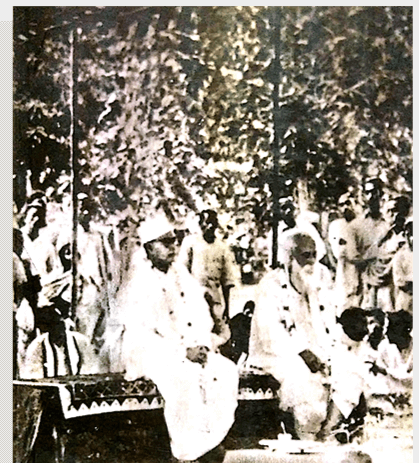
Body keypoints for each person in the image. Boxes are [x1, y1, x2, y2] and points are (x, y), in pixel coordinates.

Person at [119, 213, 239, 463]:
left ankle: (210, 443)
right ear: (150, 248)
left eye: (175, 241)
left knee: (225, 371)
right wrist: (183, 353)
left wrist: (202, 345)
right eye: (166, 242)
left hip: (189, 349)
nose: (173, 247)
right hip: (152, 352)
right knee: (185, 378)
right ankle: (186, 453)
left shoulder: (182, 276)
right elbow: (142, 333)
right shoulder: (139, 283)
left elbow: (200, 316)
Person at [248, 232, 335, 440]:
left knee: (344, 369)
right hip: (275, 355)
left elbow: (327, 323)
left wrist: (327, 353)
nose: (312, 262)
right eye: (305, 255)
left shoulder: (317, 282)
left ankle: (331, 433)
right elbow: (270, 334)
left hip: (314, 350)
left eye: (314, 255)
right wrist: (303, 353)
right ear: (289, 258)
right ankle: (308, 438)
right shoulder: (270, 285)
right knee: (303, 378)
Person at [177, 210, 240, 347]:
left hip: (215, 298)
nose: (210, 226)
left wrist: (227, 309)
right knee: (196, 333)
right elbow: (181, 272)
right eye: (206, 223)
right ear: (200, 225)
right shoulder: (190, 243)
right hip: (194, 297)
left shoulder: (222, 248)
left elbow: (227, 281)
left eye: (212, 222)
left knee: (220, 335)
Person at [20, 306, 102, 379]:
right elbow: (34, 374)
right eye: (54, 325)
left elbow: (91, 367)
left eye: (60, 323)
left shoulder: (80, 341)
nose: (59, 329)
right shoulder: (37, 346)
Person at [328, 196, 363, 314]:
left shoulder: (361, 223)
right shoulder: (337, 225)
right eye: (342, 205)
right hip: (346, 270)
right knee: (346, 303)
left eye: (348, 203)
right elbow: (339, 252)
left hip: (365, 271)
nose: (345, 207)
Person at [393, 221, 413, 315]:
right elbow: (399, 280)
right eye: (410, 235)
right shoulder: (400, 256)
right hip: (406, 297)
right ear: (405, 236)